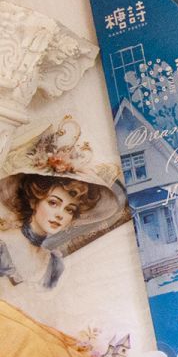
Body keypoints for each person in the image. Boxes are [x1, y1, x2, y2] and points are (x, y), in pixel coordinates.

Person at [0, 119, 123, 296]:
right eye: (53, 203)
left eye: (69, 209)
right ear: (34, 201)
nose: (60, 215)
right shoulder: (3, 244)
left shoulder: (53, 265)